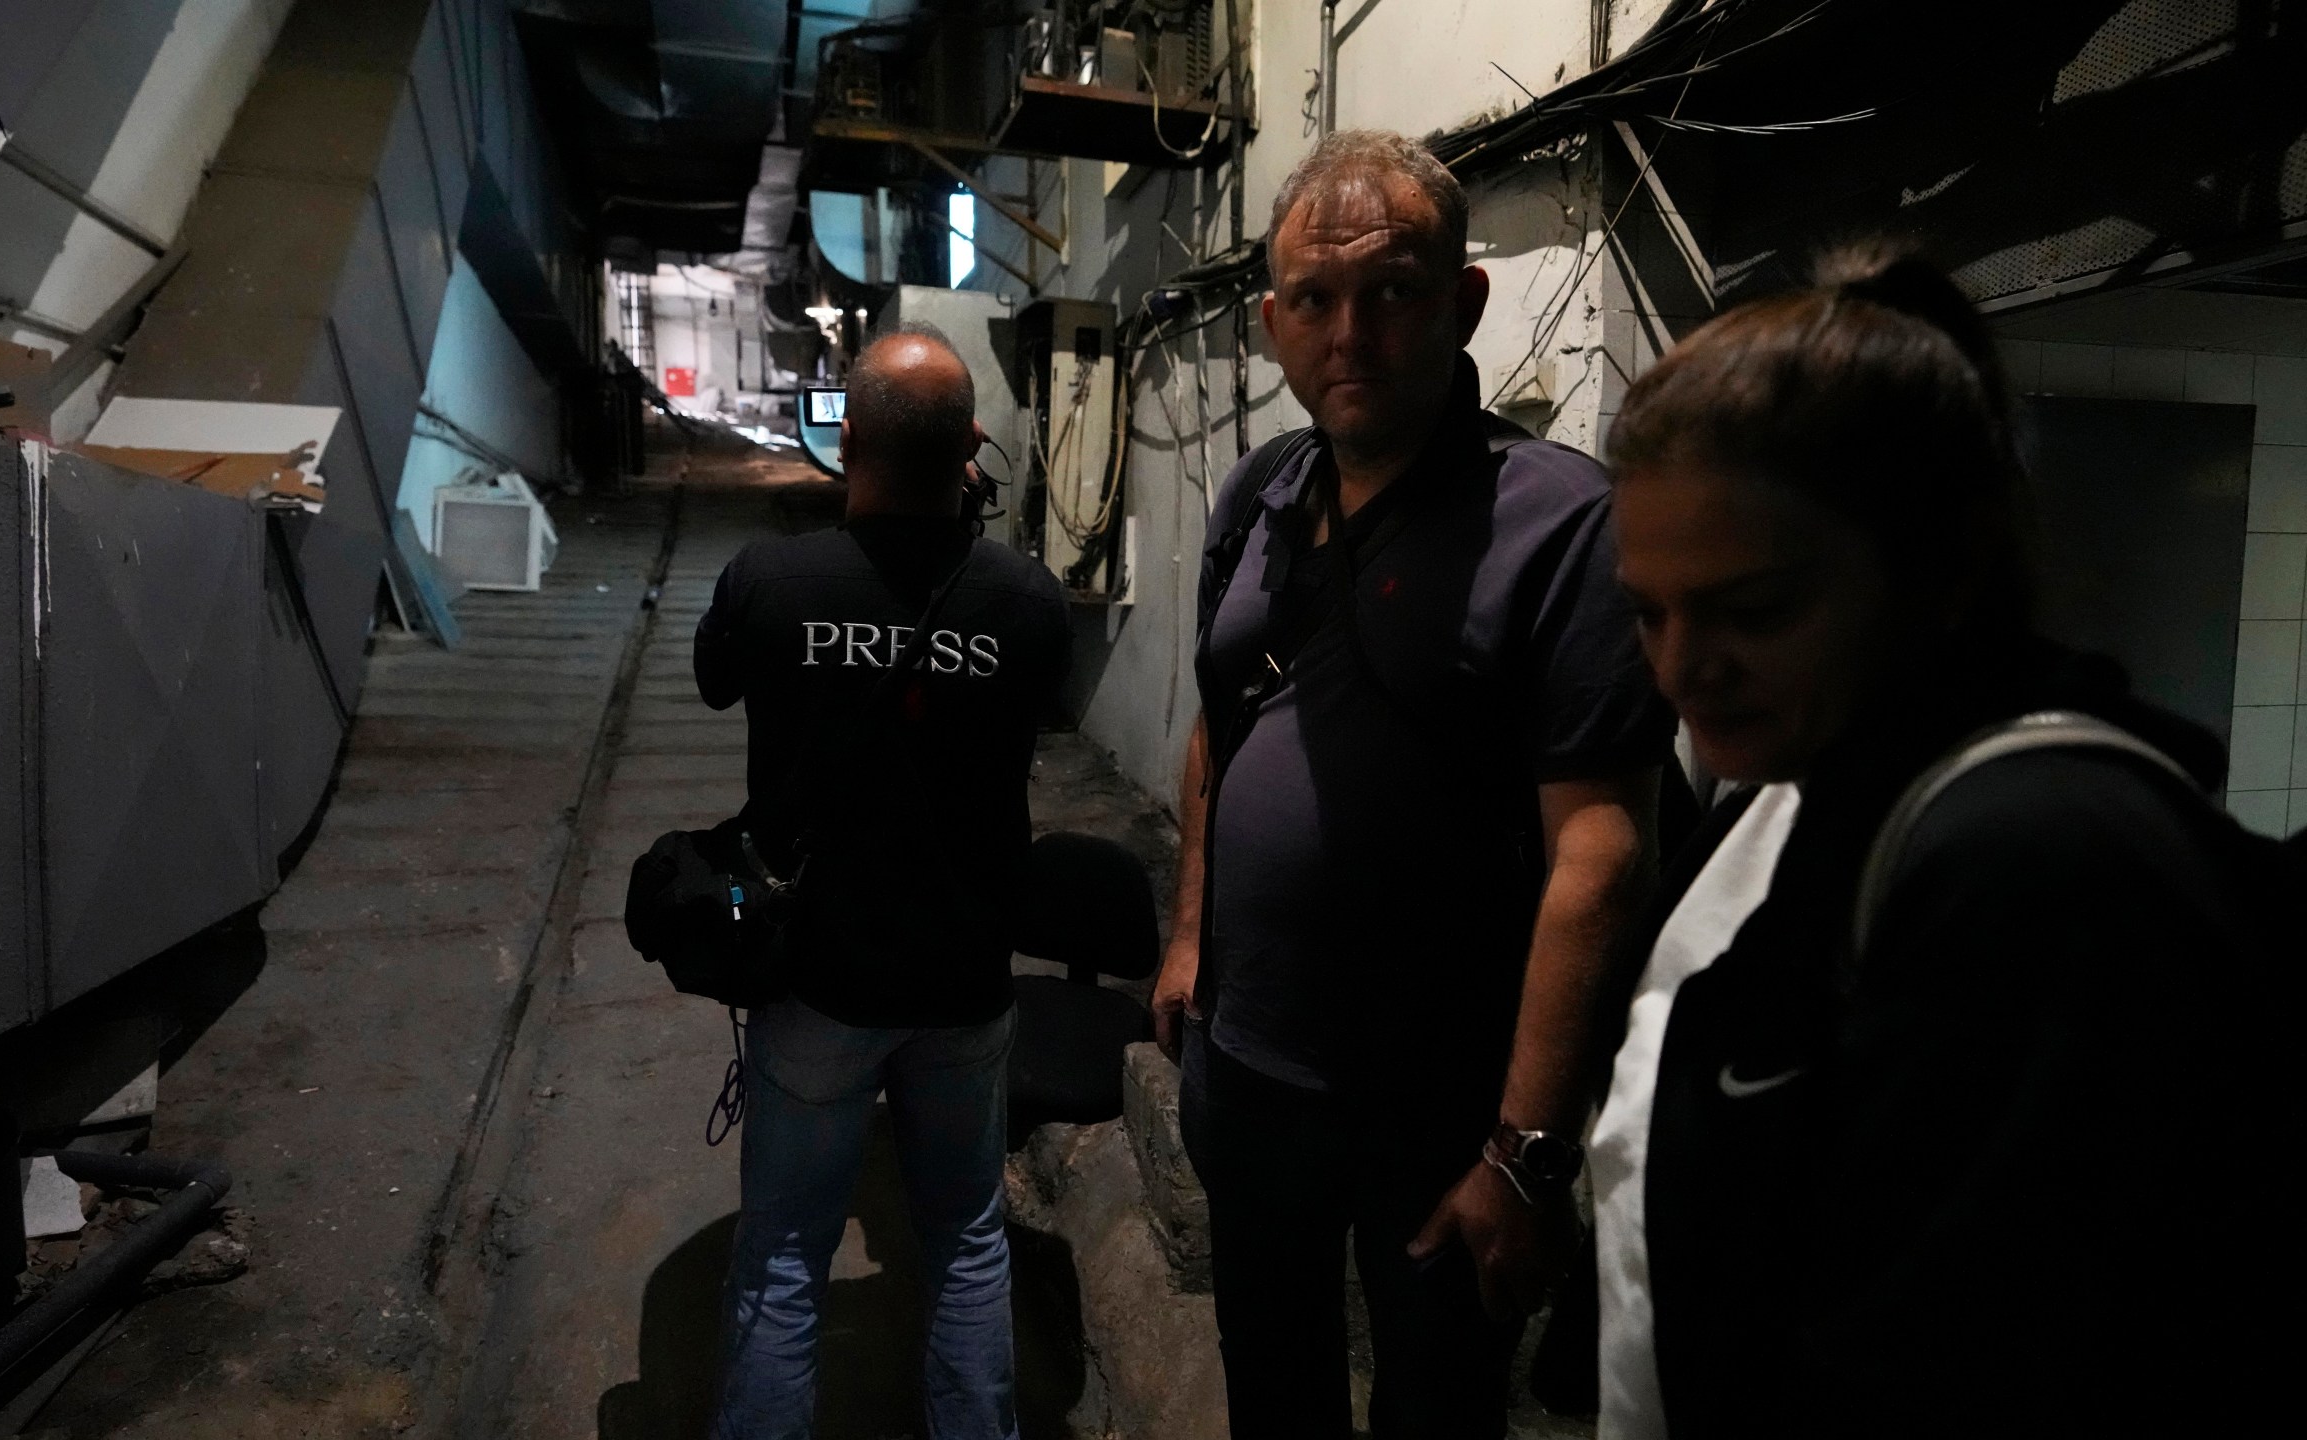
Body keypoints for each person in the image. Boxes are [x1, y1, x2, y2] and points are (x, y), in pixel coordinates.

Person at [1591, 249, 2285, 1439]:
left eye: (1750, 610)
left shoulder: (2038, 861)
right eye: (1646, 613)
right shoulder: (1827, 788)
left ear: (1939, 568)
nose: (1679, 668)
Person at [1150, 130, 1673, 1439]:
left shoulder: (1559, 523)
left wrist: (1527, 1149)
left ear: (1464, 303)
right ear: (1270, 323)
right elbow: (1218, 731)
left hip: (1444, 1102)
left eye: (1392, 293)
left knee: (1438, 1408)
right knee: (1274, 1380)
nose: (1352, 334)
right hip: (1252, 1064)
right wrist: (1188, 944)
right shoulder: (1258, 497)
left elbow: (1601, 858)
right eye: (1316, 303)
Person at [697, 326, 1071, 1440]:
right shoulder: (1030, 600)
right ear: (970, 451)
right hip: (964, 980)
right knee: (965, 1239)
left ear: (844, 439)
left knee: (782, 1254)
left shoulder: (771, 578)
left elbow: (718, 680)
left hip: (815, 975)